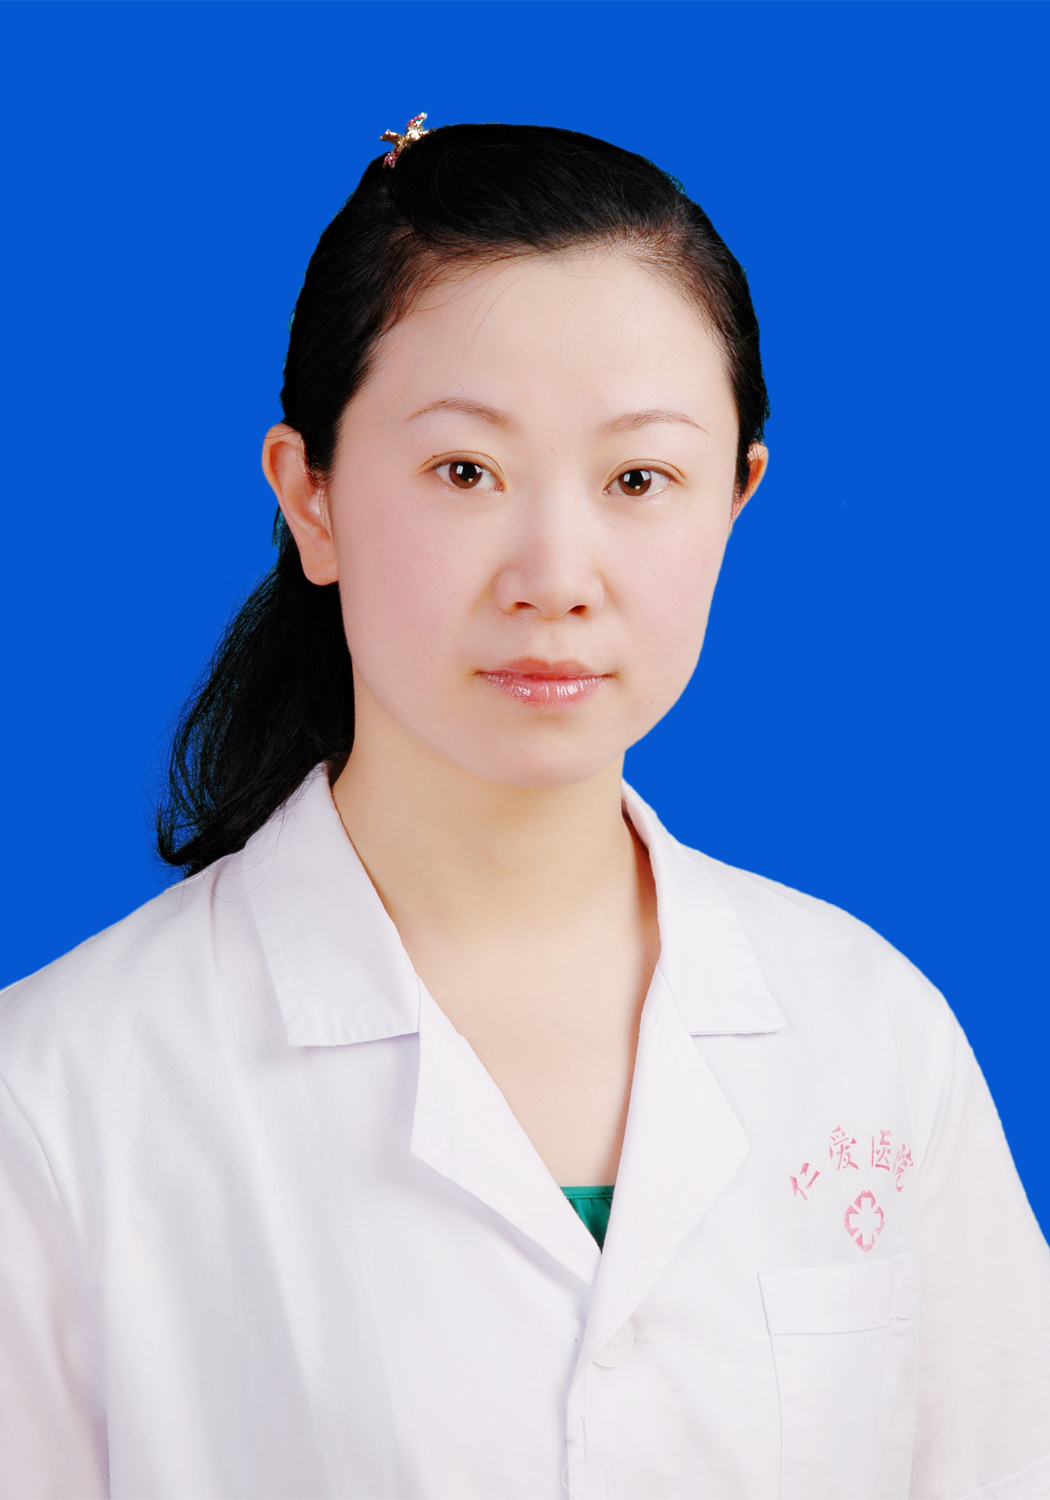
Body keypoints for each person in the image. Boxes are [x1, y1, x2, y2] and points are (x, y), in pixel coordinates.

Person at [0, 119, 1047, 1500]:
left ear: (736, 499)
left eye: (637, 481)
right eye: (465, 472)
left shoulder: (873, 1035)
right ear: (312, 496)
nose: (555, 574)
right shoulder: (58, 1093)